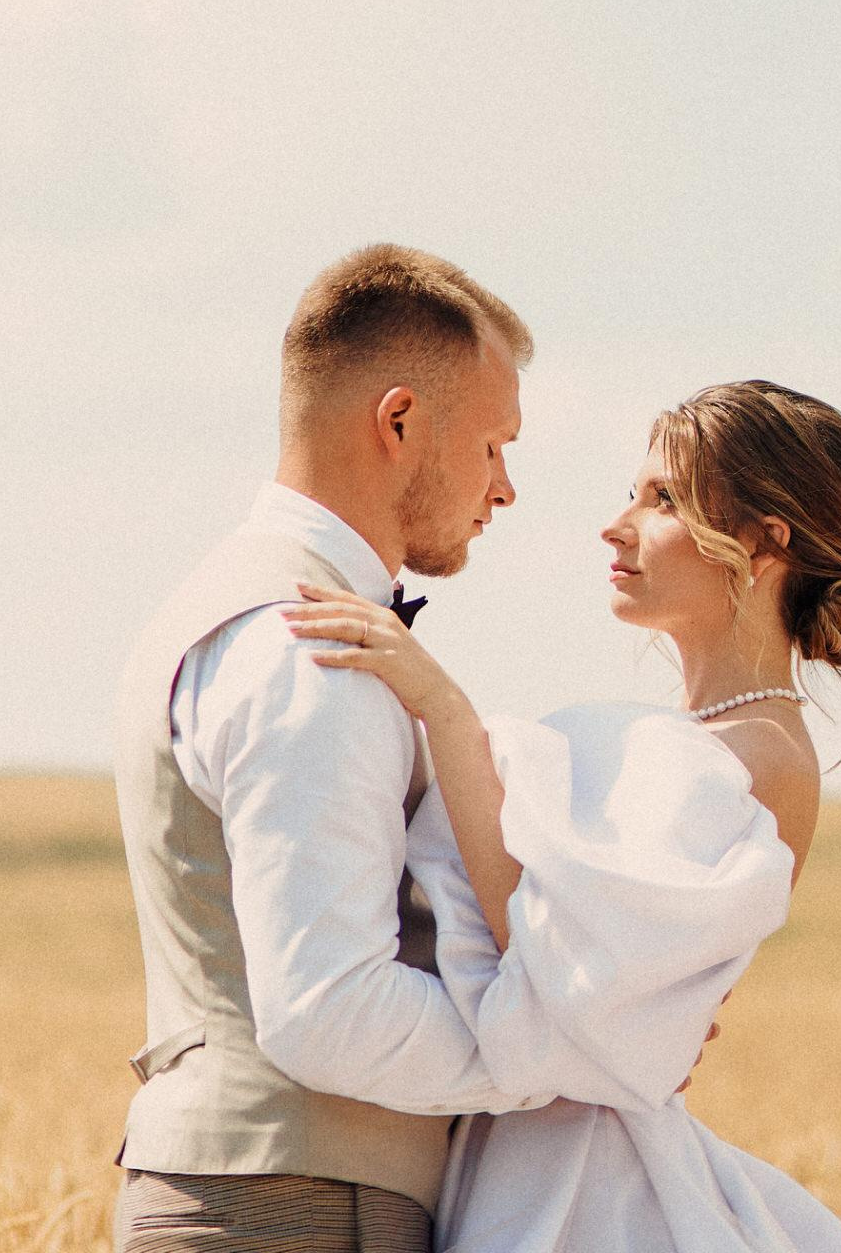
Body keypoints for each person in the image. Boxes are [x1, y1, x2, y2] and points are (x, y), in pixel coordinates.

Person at [284, 377, 841, 1253]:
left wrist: (443, 710)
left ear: (763, 542)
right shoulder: (702, 736)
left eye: (663, 499)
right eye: (633, 493)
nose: (617, 525)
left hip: (583, 1191)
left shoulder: (762, 755)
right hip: (529, 1148)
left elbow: (550, 962)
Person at [111, 242, 534, 1253]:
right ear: (400, 421)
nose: (505, 487)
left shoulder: (240, 601)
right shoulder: (312, 646)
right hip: (295, 1210)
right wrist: (551, 1050)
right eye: (492, 445)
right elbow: (327, 1009)